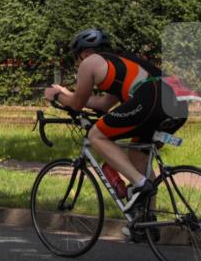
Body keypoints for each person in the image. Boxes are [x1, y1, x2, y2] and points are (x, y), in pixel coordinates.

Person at [44, 28, 190, 237]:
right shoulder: (120, 63)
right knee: (137, 155)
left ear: (83, 54)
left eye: (77, 59)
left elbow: (77, 105)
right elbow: (103, 104)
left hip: (152, 99)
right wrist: (69, 93)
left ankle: (140, 185)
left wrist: (56, 96)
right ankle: (146, 224)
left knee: (96, 135)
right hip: (178, 103)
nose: (79, 64)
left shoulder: (89, 63)